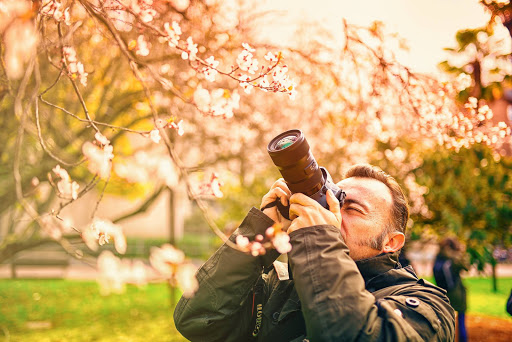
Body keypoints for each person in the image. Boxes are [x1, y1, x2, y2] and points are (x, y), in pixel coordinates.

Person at [174, 164, 455, 341]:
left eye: (352, 209)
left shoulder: (428, 304)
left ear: (391, 242)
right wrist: (262, 233)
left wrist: (319, 236)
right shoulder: (280, 284)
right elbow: (198, 322)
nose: (330, 212)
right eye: (328, 201)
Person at [433, 237, 468, 342]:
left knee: (455, 320)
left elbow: (465, 267)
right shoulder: (447, 261)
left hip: (451, 293)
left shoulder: (440, 260)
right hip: (450, 293)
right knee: (450, 321)